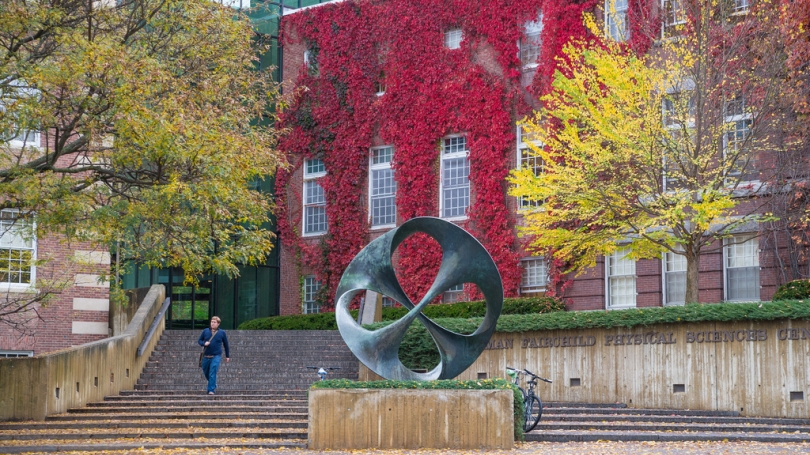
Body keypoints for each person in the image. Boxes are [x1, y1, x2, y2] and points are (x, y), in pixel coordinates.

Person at [198, 316, 230, 395]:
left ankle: (211, 390)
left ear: (218, 324)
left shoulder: (222, 333)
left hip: (216, 355)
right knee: (206, 372)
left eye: (214, 322)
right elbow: (199, 340)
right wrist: (204, 343)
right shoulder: (205, 331)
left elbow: (226, 345)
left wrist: (227, 356)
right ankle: (213, 384)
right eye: (212, 322)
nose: (212, 323)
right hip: (206, 356)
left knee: (212, 372)